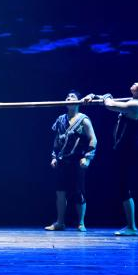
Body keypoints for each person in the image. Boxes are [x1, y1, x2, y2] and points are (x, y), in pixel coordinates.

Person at [83, 75, 138, 236]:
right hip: (124, 151)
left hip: (131, 152)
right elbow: (110, 101)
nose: (135, 82)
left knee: (125, 187)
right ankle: (130, 225)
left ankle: (132, 227)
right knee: (122, 187)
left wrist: (104, 97)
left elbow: (110, 104)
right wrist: (95, 96)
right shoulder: (133, 102)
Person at [45, 91, 97, 232]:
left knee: (79, 192)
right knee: (60, 192)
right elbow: (56, 141)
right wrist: (54, 157)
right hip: (63, 160)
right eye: (67, 97)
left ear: (79, 101)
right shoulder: (60, 119)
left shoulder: (83, 120)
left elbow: (93, 139)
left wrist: (88, 158)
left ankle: (81, 223)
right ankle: (60, 222)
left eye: (72, 97)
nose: (69, 98)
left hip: (77, 160)